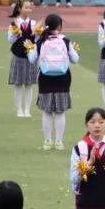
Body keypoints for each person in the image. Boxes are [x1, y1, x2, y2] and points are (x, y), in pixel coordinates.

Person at [27, 14, 77, 151]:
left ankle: (47, 141)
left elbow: (31, 59)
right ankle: (59, 141)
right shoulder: (66, 41)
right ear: (60, 27)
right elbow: (75, 59)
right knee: (60, 112)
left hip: (45, 78)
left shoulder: (41, 41)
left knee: (47, 112)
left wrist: (31, 47)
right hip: (63, 78)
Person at [6, 2, 38, 118]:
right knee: (18, 84)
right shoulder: (14, 24)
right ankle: (19, 109)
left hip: (31, 57)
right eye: (26, 7)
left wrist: (38, 33)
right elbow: (10, 40)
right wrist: (16, 33)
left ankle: (27, 110)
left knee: (29, 84)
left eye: (30, 7)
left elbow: (37, 40)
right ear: (20, 9)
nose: (29, 9)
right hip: (18, 55)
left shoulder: (34, 24)